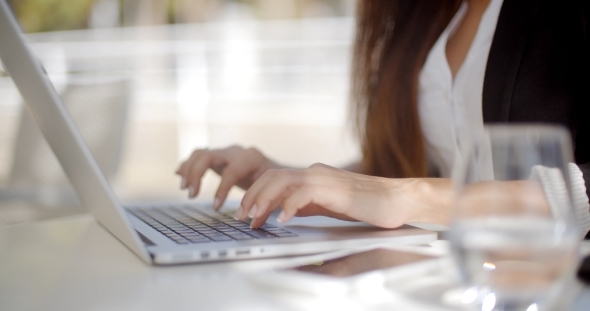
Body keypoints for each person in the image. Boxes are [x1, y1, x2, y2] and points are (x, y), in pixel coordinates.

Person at [176, 0, 590, 234]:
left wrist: (413, 196)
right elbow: (409, 167)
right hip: (452, 279)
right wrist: (286, 179)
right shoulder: (436, 13)